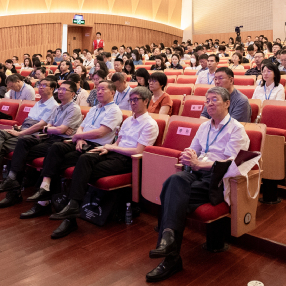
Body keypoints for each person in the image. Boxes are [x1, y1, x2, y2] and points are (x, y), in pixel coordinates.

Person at [146, 86, 249, 282]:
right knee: (174, 180)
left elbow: (230, 163)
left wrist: (199, 163)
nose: (209, 103)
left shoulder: (237, 129)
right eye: (207, 100)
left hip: (217, 179)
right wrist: (189, 155)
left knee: (172, 194)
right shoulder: (203, 127)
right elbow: (193, 149)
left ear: (227, 103)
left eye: (214, 100)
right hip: (196, 171)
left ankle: (170, 253)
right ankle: (169, 242)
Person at [49, 86, 159, 235]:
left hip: (128, 160)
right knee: (85, 158)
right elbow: (118, 142)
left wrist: (111, 148)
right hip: (114, 152)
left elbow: (138, 151)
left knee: (82, 171)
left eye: (136, 100)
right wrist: (107, 148)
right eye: (130, 100)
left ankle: (71, 215)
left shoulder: (150, 124)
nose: (132, 103)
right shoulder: (128, 121)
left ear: (146, 101)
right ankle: (73, 207)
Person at [22, 80, 123, 238]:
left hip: (97, 148)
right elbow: (82, 127)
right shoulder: (94, 108)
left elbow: (101, 132)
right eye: (98, 89)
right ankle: (45, 192)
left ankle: (63, 214)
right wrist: (79, 137)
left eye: (103, 89)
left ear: (112, 93)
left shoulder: (114, 110)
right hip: (82, 142)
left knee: (59, 161)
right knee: (55, 150)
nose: (99, 91)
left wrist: (78, 136)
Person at [0, 80, 84, 209]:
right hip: (50, 138)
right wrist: (53, 128)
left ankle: (24, 192)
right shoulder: (58, 108)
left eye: (64, 90)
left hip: (61, 142)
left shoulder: (73, 109)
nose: (60, 92)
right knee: (23, 144)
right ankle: (12, 180)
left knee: (26, 153)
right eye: (60, 89)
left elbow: (59, 130)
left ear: (73, 94)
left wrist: (53, 129)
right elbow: (51, 127)